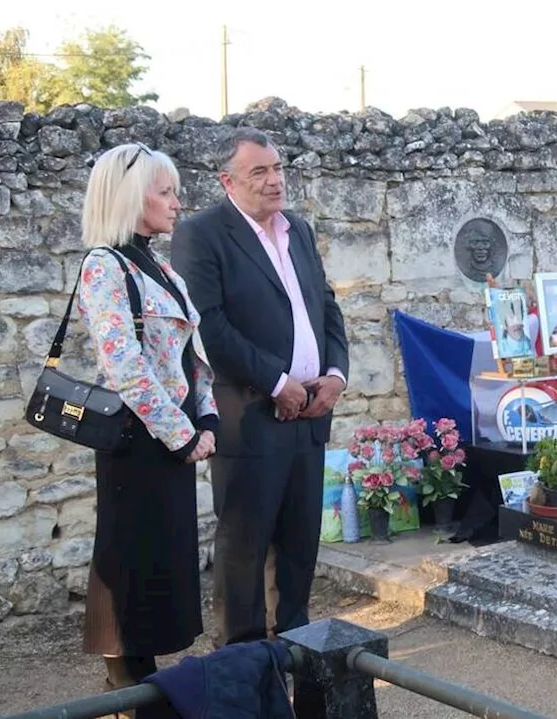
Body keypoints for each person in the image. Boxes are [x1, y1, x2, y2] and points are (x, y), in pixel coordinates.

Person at [171, 128, 349, 646]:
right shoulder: (202, 234)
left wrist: (335, 375)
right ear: (228, 180)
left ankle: (296, 652)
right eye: (259, 172)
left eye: (277, 168)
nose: (275, 181)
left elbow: (327, 307)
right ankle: (243, 666)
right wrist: (277, 383)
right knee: (244, 553)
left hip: (311, 415)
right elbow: (209, 324)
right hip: (249, 418)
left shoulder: (299, 229)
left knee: (299, 548)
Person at [74, 142, 218, 698]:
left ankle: (148, 687)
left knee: (163, 559)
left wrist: (206, 418)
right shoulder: (103, 266)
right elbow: (126, 368)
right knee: (130, 561)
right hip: (138, 444)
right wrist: (183, 436)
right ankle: (128, 689)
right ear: (132, 197)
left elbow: (190, 351)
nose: (177, 203)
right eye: (166, 192)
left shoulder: (157, 264)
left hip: (172, 441)